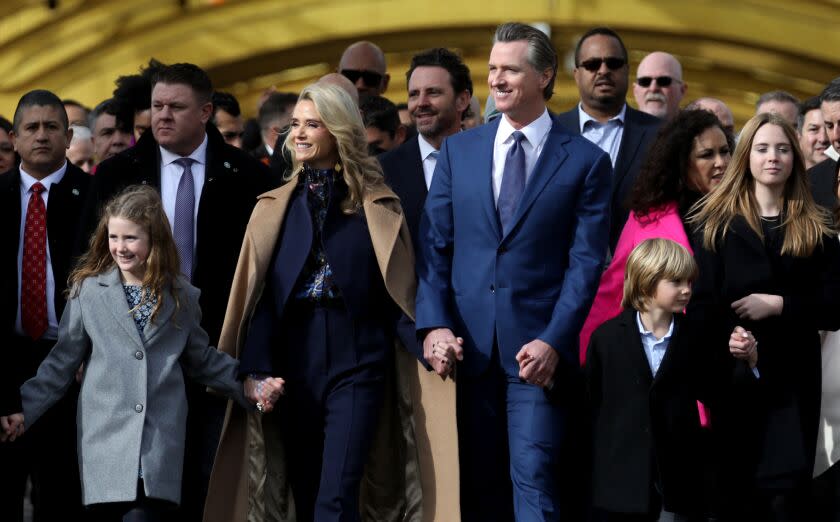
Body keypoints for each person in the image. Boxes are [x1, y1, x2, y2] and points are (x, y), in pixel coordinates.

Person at [205, 83, 456, 522]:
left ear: (338, 132)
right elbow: (261, 298)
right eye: (295, 124)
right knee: (303, 492)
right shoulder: (273, 208)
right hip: (294, 363)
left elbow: (398, 295)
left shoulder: (378, 206)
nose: (299, 134)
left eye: (312, 124)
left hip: (358, 360)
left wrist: (429, 341)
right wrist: (256, 370)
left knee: (335, 498)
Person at [416, 22, 612, 521]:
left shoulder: (586, 161)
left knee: (534, 482)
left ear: (545, 75)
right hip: (466, 354)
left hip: (536, 358)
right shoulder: (460, 151)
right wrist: (435, 325)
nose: (496, 79)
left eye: (510, 69)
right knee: (477, 492)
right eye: (491, 69)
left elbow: (586, 262)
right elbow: (435, 248)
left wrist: (554, 340)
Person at [1, 185, 281, 522]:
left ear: (154, 239)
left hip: (158, 448)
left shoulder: (181, 295)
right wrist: (23, 409)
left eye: (130, 238)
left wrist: (247, 384)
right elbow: (61, 363)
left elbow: (202, 359)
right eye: (113, 237)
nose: (120, 247)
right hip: (103, 445)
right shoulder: (88, 291)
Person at [83, 62, 276, 522]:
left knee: (209, 490)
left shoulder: (248, 177)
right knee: (145, 501)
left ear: (206, 111)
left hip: (219, 352)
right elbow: (89, 265)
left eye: (176, 107)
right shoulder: (117, 174)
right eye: (157, 106)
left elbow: (266, 273)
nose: (163, 116)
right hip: (138, 362)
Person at [687, 112, 840, 520]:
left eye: (782, 148)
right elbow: (701, 307)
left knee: (786, 498)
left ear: (794, 157)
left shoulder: (817, 227)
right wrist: (731, 341)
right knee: (737, 497)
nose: (772, 157)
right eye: (762, 148)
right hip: (734, 381)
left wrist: (781, 304)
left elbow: (834, 305)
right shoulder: (714, 225)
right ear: (746, 157)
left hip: (794, 382)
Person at [586, 238, 725, 521]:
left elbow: (717, 391)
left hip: (678, 479)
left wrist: (745, 360)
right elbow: (588, 401)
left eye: (690, 281)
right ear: (647, 281)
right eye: (676, 281)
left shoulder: (695, 336)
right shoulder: (607, 338)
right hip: (620, 481)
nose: (687, 289)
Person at [0, 89, 90, 522]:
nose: (41, 136)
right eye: (31, 128)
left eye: (51, 127)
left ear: (69, 136)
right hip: (5, 359)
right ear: (14, 139)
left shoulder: (94, 198)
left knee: (61, 492)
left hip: (71, 364)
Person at [579, 109, 733, 360]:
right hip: (665, 360)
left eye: (725, 151)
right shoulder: (647, 217)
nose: (721, 162)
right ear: (682, 162)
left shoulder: (743, 212)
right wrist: (584, 357)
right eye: (707, 154)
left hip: (733, 356)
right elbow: (617, 288)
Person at [556, 27, 662, 249]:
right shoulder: (551, 133)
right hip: (566, 275)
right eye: (592, 64)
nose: (603, 71)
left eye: (613, 63)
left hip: (636, 273)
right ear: (576, 74)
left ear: (626, 70)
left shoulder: (660, 135)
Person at [633, 52, 687, 120]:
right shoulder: (619, 129)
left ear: (682, 91)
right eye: (645, 81)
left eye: (663, 81)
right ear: (635, 91)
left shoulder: (699, 129)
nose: (653, 88)